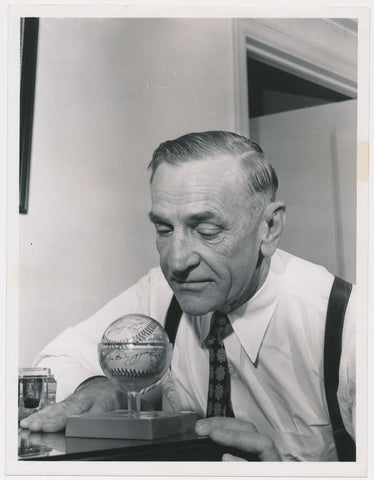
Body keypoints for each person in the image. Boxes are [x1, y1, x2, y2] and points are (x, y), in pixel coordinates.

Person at [20, 131, 355, 462]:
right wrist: (97, 386)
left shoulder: (349, 326)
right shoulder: (160, 293)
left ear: (269, 227)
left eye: (208, 231)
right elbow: (55, 362)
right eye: (164, 230)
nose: (177, 262)